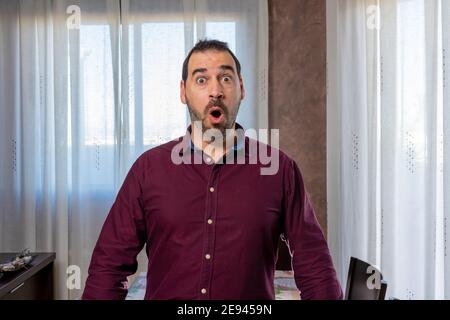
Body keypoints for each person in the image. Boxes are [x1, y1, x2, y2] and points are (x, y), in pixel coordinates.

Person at [82, 39, 343, 300]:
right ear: (183, 92)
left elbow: (314, 264)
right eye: (201, 80)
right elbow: (108, 267)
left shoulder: (279, 170)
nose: (215, 91)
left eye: (226, 79)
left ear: (241, 88)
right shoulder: (147, 170)